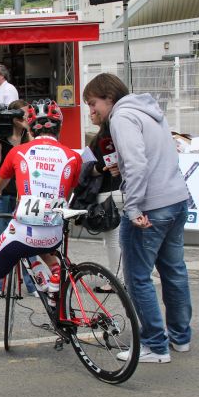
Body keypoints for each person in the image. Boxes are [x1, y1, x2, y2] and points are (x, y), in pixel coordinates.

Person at [0, 100, 81, 366]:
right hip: (53, 231)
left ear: (30, 125)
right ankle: (52, 280)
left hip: (22, 230)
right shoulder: (73, 156)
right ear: (60, 126)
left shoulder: (18, 153)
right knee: (42, 248)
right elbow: (68, 193)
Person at [83, 73, 192, 363]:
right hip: (175, 199)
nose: (92, 111)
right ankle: (180, 338)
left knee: (137, 278)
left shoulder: (121, 118)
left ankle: (156, 345)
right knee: (173, 271)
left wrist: (133, 208)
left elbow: (136, 164)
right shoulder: (149, 111)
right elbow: (149, 158)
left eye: (93, 103)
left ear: (109, 97)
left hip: (150, 207)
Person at [0, 99, 38, 299]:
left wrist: (29, 129)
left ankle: (33, 285)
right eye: (21, 114)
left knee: (28, 239)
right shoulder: (2, 133)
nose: (24, 117)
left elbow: (36, 155)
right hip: (2, 193)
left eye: (27, 114)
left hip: (24, 194)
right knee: (1, 240)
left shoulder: (27, 135)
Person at [73, 112, 123, 292]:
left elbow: (101, 167)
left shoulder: (104, 138)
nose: (90, 113)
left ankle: (116, 280)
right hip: (122, 190)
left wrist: (91, 167)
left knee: (113, 240)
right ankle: (125, 277)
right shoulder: (116, 135)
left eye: (94, 108)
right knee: (124, 238)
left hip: (109, 191)